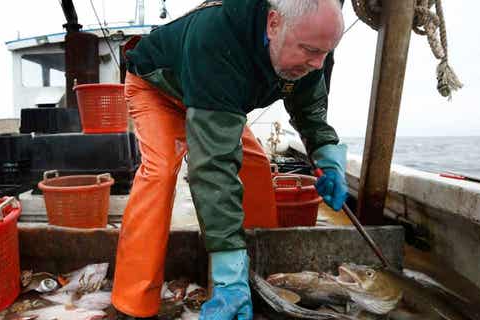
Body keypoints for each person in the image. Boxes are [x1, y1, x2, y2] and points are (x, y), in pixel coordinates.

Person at [111, 0, 348, 319]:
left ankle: (261, 278)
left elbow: (310, 112)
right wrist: (227, 274)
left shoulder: (310, 49)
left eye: (325, 53)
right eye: (309, 51)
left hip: (216, 100)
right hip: (159, 91)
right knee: (161, 172)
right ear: (274, 24)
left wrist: (328, 157)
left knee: (256, 167)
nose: (318, 64)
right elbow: (213, 168)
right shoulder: (219, 34)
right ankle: (133, 302)